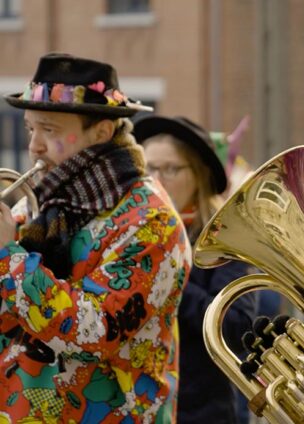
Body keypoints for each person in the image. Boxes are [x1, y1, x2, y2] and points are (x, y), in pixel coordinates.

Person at [0, 53, 190, 422]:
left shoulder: (151, 220)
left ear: (102, 131)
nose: (34, 146)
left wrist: (8, 258)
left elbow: (93, 332)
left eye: (49, 130)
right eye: (30, 129)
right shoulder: (44, 205)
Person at [135, 116, 258, 423]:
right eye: (149, 168)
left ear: (199, 175)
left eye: (171, 169)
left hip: (201, 412)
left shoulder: (224, 241)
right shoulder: (130, 236)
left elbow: (236, 326)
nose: (156, 180)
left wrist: (169, 278)